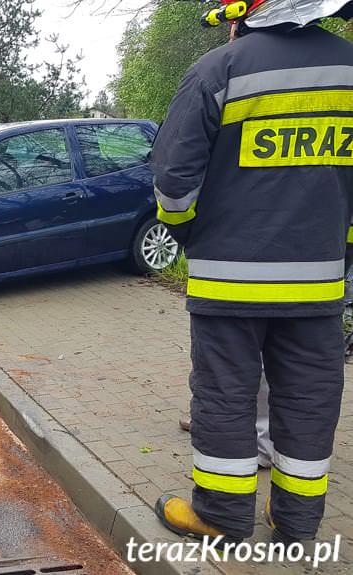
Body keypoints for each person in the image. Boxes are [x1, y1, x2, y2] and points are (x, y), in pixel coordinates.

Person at [151, 0, 353, 544]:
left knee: (224, 397)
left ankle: (221, 518)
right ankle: (296, 526)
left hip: (228, 281)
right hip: (320, 283)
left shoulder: (220, 69)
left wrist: (189, 232)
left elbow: (173, 182)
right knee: (309, 400)